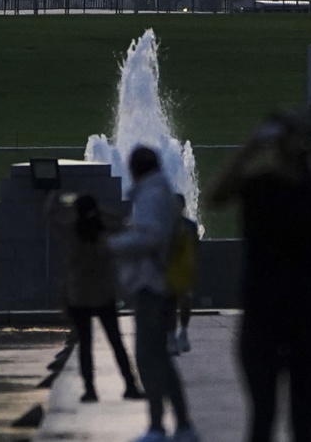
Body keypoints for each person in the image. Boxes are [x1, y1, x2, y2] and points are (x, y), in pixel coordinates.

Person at [206, 114, 311, 442]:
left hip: (293, 313)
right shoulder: (261, 186)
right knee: (267, 415)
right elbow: (214, 197)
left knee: (299, 420)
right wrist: (249, 149)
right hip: (272, 314)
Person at [108, 145, 198, 442]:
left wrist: (111, 245)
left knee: (148, 358)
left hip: (152, 286)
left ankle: (160, 426)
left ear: (134, 168)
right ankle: (179, 425)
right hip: (159, 284)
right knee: (159, 357)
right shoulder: (160, 192)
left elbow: (150, 237)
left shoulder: (151, 195)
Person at [47, 192, 141, 403]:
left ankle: (90, 390)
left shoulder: (71, 232)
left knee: (85, 345)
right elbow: (122, 221)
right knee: (116, 342)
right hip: (104, 294)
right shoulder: (105, 232)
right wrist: (99, 210)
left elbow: (50, 217)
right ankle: (130, 385)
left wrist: (58, 200)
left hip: (78, 295)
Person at [170, 194, 200, 355]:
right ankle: (172, 337)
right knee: (171, 304)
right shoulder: (167, 225)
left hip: (185, 270)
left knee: (184, 302)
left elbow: (195, 247)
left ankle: (183, 333)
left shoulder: (190, 225)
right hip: (170, 270)